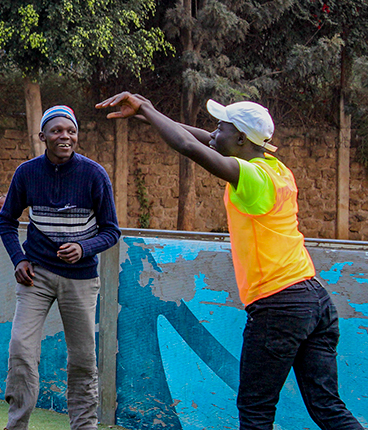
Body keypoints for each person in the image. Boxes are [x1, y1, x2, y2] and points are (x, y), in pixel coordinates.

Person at [97, 92, 365, 430]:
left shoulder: (252, 178)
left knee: (255, 410)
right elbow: (204, 139)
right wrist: (151, 116)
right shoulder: (277, 169)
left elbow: (190, 147)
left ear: (240, 138)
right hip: (313, 299)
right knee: (327, 405)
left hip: (279, 304)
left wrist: (149, 107)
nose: (213, 133)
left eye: (221, 127)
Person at [0, 105, 120, 430]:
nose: (65, 136)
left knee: (82, 359)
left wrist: (83, 248)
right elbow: (6, 219)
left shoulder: (94, 175)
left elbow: (111, 231)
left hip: (79, 279)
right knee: (21, 349)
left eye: (70, 131)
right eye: (56, 131)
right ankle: (16, 425)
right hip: (36, 275)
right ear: (43, 137)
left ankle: (84, 426)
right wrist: (18, 258)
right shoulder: (27, 172)